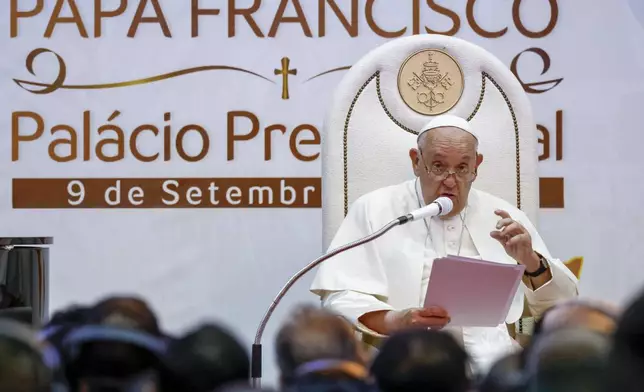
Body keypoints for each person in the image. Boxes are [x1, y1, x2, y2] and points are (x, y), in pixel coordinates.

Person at [310, 114, 579, 373]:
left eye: (462, 168)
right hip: (405, 364)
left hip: (494, 367)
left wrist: (531, 262)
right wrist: (397, 320)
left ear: (476, 166)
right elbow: (339, 296)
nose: (450, 181)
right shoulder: (375, 210)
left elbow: (563, 307)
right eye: (438, 167)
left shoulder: (505, 217)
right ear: (416, 161)